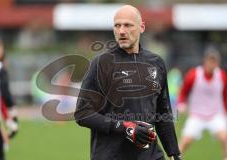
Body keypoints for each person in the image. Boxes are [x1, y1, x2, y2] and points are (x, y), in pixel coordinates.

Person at [75, 5, 181, 160]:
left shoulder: (156, 63)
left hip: (150, 156)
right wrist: (123, 127)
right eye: (117, 25)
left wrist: (174, 153)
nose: (121, 31)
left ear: (141, 27)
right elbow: (82, 113)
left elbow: (163, 112)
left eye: (128, 25)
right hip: (111, 156)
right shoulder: (101, 64)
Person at [177, 48, 227, 160]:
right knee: (185, 141)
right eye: (210, 60)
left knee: (224, 138)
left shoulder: (222, 76)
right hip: (197, 114)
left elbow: (225, 95)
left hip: (216, 114)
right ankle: (177, 158)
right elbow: (183, 91)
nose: (212, 64)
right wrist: (181, 103)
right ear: (205, 61)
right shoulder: (194, 74)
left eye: (214, 61)